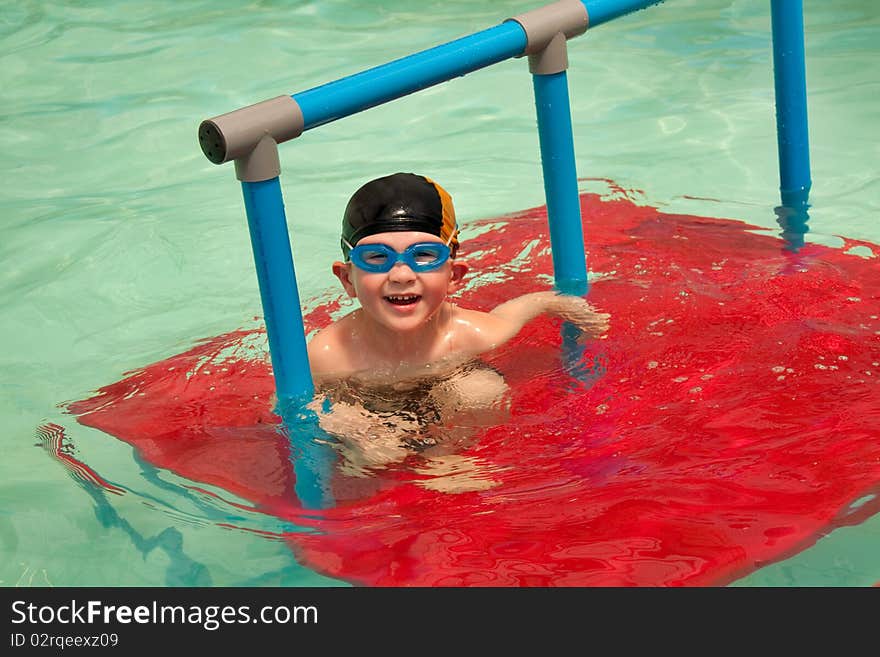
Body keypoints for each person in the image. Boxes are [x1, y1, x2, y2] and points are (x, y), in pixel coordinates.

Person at [306, 172, 609, 481]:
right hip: (363, 404)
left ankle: (444, 457)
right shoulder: (329, 354)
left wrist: (551, 302)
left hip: (446, 395)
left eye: (423, 255)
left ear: (454, 276)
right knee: (370, 459)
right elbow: (297, 405)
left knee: (483, 389)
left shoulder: (468, 333)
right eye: (376, 257)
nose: (400, 275)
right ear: (347, 279)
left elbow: (508, 316)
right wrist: (353, 427)